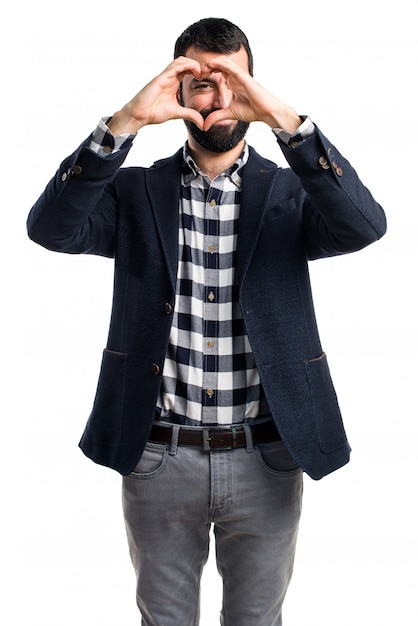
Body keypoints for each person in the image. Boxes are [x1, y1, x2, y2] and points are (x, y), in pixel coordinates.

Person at [27, 17, 386, 626]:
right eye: (199, 81)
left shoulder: (293, 193)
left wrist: (288, 123)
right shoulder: (136, 191)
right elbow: (51, 228)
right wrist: (124, 124)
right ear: (176, 91)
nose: (217, 97)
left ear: (253, 87)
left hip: (267, 458)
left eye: (233, 80)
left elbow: (364, 226)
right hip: (158, 457)